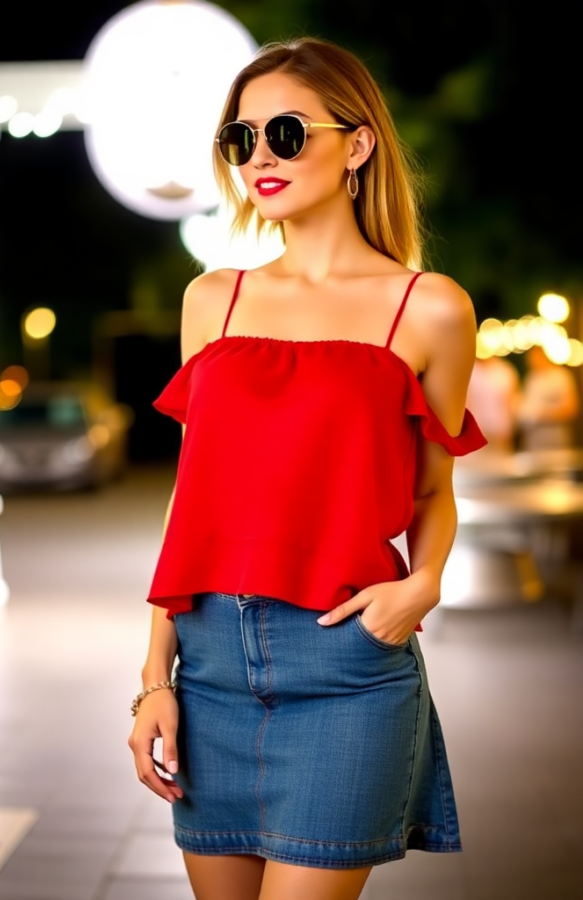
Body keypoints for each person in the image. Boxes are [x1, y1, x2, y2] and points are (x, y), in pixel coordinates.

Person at [128, 38, 487, 900]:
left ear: (355, 144)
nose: (259, 157)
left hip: (344, 670)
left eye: (285, 133)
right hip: (207, 668)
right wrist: (151, 683)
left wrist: (423, 583)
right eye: (240, 139)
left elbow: (433, 490)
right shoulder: (213, 298)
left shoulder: (428, 308)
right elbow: (193, 502)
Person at [518, 345, 580, 451]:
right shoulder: (531, 378)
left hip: (555, 438)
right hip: (534, 439)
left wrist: (542, 413)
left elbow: (572, 409)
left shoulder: (561, 376)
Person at [466, 355, 521, 453]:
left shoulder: (505, 371)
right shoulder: (471, 371)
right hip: (476, 430)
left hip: (500, 430)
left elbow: (512, 401)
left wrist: (510, 427)